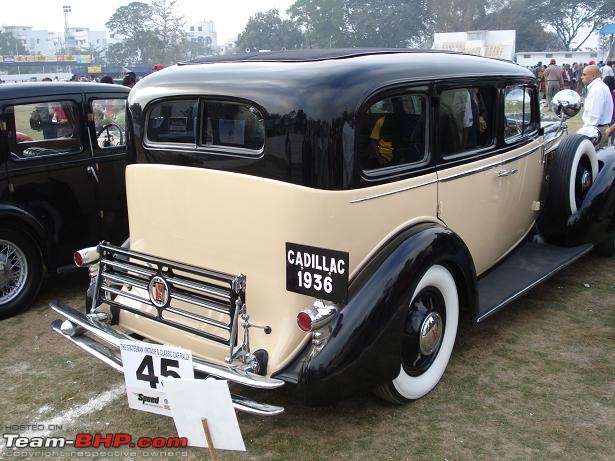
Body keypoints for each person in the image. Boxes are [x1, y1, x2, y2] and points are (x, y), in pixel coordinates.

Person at [580, 64, 613, 148]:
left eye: (584, 74)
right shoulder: (597, 87)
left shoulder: (597, 89)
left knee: (596, 159)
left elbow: (594, 116)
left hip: (595, 130)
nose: (581, 77)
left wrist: (583, 132)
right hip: (597, 129)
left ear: (593, 76)